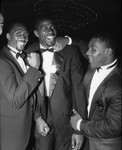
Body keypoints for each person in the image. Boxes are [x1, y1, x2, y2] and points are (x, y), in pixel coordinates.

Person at [26, 18, 87, 150]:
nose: (50, 31)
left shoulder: (71, 51)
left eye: (52, 27)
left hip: (66, 118)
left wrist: (78, 129)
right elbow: (28, 90)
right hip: (42, 117)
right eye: (45, 28)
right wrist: (37, 117)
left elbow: (78, 89)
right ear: (36, 33)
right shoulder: (29, 52)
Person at [70, 32, 122, 150]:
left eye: (93, 50)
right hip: (86, 140)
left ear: (108, 52)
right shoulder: (94, 63)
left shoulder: (118, 86)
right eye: (89, 49)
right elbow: (81, 44)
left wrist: (79, 125)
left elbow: (113, 127)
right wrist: (67, 40)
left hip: (105, 145)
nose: (87, 53)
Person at [0, 22, 44, 150]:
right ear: (8, 36)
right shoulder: (2, 61)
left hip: (25, 128)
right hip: (10, 133)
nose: (23, 37)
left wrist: (38, 118)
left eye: (26, 34)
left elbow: (29, 92)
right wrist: (34, 69)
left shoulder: (25, 57)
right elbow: (16, 100)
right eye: (18, 33)